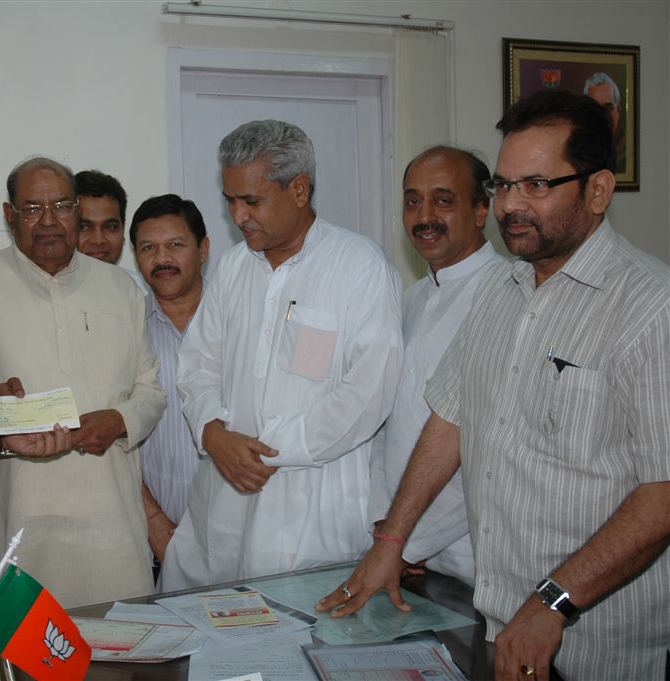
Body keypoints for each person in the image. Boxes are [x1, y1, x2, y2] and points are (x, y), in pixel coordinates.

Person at [317, 90, 669, 681]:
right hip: (498, 619)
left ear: (599, 190)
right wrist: (392, 541)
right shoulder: (498, 293)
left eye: (536, 185)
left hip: (597, 641)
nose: (511, 206)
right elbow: (448, 421)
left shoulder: (649, 307)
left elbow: (662, 496)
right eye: (504, 186)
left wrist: (555, 601)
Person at [159, 120, 403, 590]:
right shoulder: (233, 268)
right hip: (226, 492)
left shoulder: (359, 267)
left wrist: (272, 450)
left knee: (299, 646)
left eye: (252, 200)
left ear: (298, 189)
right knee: (212, 640)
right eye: (230, 200)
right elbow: (197, 365)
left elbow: (370, 389)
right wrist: (213, 433)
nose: (238, 215)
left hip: (312, 501)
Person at [0, 157, 167, 609]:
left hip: (112, 526)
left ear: (77, 210)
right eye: (31, 209)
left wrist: (118, 420)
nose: (48, 221)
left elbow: (151, 389)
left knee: (121, 658)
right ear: (10, 216)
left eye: (61, 206)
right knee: (21, 659)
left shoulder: (120, 288)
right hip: (17, 522)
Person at [367, 146, 503, 587]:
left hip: (474, 564)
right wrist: (382, 525)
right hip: (401, 550)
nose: (424, 216)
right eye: (412, 200)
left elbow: (488, 454)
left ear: (481, 209)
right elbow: (382, 424)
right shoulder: (411, 299)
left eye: (443, 200)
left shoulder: (510, 298)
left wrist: (406, 541)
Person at [129, 194, 209, 567]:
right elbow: (115, 438)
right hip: (155, 539)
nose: (162, 259)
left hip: (241, 534)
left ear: (203, 249)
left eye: (175, 245)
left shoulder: (241, 323)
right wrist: (152, 519)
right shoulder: (126, 332)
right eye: (149, 248)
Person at [582, 72, 625, 173]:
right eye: (594, 108)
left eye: (608, 107)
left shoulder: (625, 150)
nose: (601, 114)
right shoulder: (580, 152)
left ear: (618, 111)